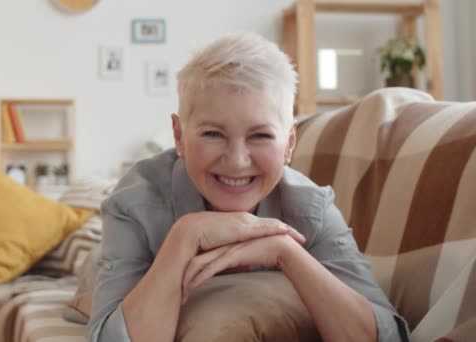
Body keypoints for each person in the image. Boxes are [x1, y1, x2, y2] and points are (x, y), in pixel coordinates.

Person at [87, 32, 409, 342]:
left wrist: (286, 252)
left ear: (289, 142)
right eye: (213, 134)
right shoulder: (134, 201)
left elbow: (387, 336)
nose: (237, 161)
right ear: (179, 136)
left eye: (261, 136)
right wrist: (185, 235)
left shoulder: (310, 208)